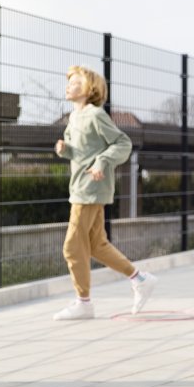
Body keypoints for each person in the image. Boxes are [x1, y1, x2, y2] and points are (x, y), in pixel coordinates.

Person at [52, 65, 156, 320]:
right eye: (69, 83)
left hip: (90, 188)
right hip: (80, 186)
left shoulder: (95, 114)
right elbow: (80, 151)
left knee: (72, 247)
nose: (69, 86)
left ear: (90, 89)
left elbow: (123, 143)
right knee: (97, 244)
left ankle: (83, 302)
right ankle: (140, 278)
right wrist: (65, 150)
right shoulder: (73, 117)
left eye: (75, 83)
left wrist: (102, 162)